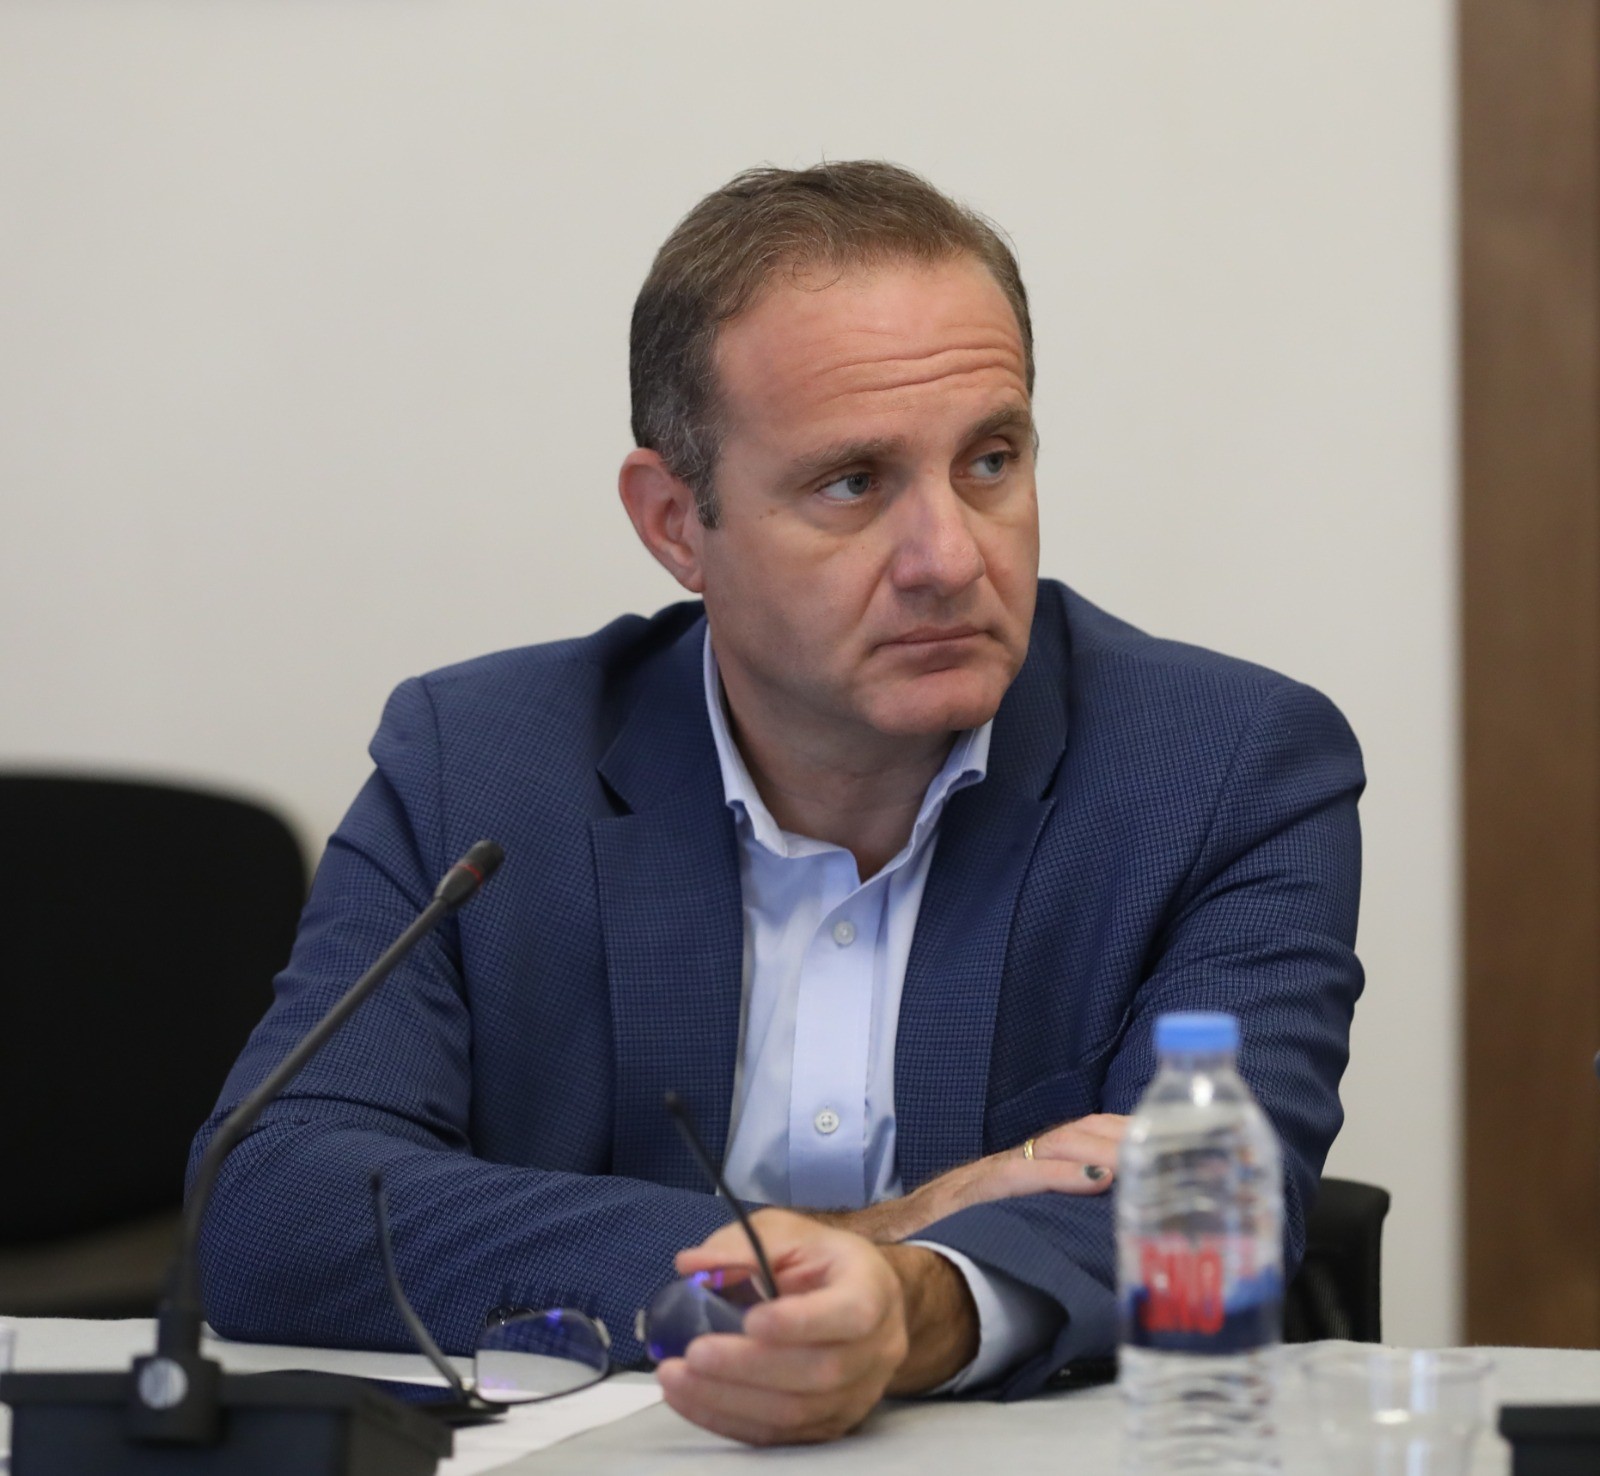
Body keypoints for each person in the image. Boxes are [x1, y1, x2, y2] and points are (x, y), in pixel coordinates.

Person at [192, 160, 1364, 1446]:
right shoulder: (477, 766)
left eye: (989, 460)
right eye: (851, 483)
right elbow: (274, 1204)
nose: (949, 558)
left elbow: (1208, 1210)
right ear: (674, 523)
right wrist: (871, 1236)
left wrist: (906, 1306)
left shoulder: (1224, 770)